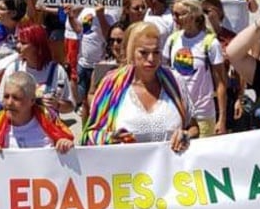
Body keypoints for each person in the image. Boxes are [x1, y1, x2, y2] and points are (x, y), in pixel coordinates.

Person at [82, 21, 197, 150]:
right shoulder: (111, 85)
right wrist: (110, 138)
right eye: (143, 52)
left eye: (156, 52)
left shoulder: (175, 82)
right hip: (126, 169)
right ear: (131, 52)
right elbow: (89, 136)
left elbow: (193, 127)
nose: (151, 59)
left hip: (172, 168)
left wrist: (187, 135)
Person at [166, 0, 228, 138]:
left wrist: (222, 119)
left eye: (179, 14)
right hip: (177, 112)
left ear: (193, 15)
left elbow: (221, 83)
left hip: (203, 114)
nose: (175, 18)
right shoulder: (172, 40)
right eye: (173, 14)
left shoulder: (211, 43)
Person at [0, 72, 74, 153]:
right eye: (6, 96)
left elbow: (71, 151)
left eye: (16, 98)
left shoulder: (50, 120)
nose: (9, 102)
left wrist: (65, 144)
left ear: (32, 101)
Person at [0, 25, 74, 113]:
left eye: (23, 43)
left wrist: (57, 105)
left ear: (37, 47)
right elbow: (1, 101)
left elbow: (70, 106)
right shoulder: (13, 69)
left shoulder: (57, 71)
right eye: (18, 42)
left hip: (47, 125)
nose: (17, 46)